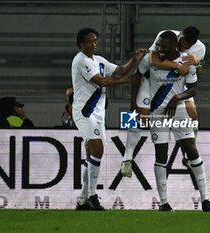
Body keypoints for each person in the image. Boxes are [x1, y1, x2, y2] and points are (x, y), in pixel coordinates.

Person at [136, 31, 210, 212]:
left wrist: (178, 96)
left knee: (191, 150)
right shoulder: (151, 60)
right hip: (158, 114)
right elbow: (137, 76)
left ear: (174, 46)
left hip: (179, 111)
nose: (159, 49)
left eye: (164, 46)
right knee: (161, 155)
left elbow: (194, 89)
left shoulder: (186, 61)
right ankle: (164, 203)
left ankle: (206, 200)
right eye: (158, 46)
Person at [72, 27, 147, 211]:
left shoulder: (99, 60)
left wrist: (135, 59)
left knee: (92, 156)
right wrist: (129, 80)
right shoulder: (81, 60)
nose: (94, 44)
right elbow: (102, 81)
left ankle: (82, 200)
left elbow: (120, 70)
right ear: (81, 43)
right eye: (90, 41)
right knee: (98, 149)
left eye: (95, 40)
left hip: (98, 113)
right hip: (85, 111)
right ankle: (92, 195)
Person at [121, 26, 206, 177]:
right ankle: (127, 158)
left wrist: (197, 63)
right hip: (152, 82)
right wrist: (132, 104)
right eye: (179, 45)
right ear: (178, 38)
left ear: (192, 45)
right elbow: (149, 64)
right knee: (136, 116)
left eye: (183, 48)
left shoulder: (200, 49)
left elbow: (196, 72)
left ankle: (187, 155)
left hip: (177, 83)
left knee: (193, 115)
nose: (180, 49)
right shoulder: (162, 39)